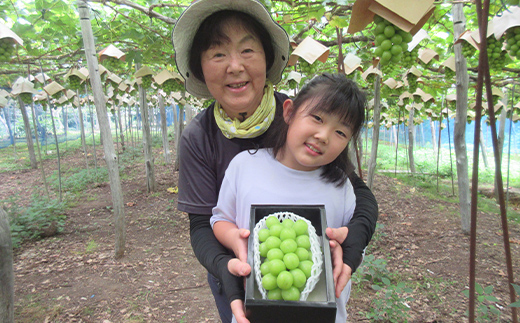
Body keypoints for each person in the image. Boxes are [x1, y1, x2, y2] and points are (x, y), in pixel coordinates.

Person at [172, 1, 379, 322]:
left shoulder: (302, 120)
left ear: (267, 59)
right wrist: (223, 267)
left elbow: (355, 192)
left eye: (248, 51)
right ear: (200, 67)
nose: (235, 66)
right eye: (217, 54)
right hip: (241, 277)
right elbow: (203, 223)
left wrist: (352, 243)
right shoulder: (200, 138)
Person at [211, 73, 366, 323]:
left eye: (340, 132)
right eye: (317, 118)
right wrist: (235, 239)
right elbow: (220, 219)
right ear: (289, 112)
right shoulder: (245, 167)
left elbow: (355, 242)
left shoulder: (342, 186)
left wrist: (344, 250)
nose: (323, 135)